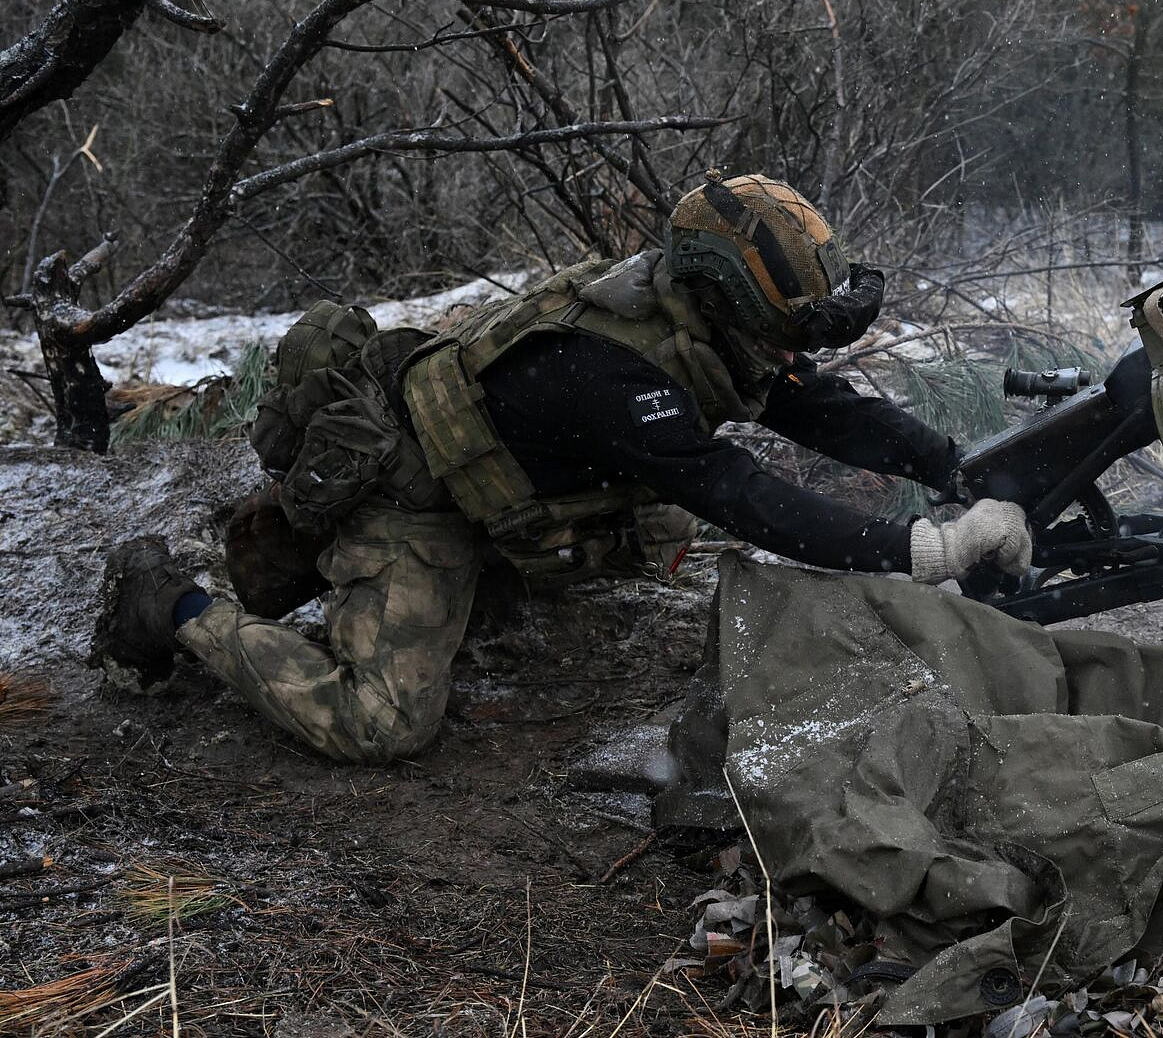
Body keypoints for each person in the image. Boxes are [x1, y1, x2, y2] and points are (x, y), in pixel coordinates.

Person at [90, 173, 1032, 764]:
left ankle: (488, 586)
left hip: (508, 479)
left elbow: (822, 409)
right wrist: (929, 549)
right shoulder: (611, 377)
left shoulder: (693, 326)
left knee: (651, 527)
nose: (791, 353)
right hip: (414, 498)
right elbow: (737, 493)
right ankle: (171, 606)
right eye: (786, 327)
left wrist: (958, 467)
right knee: (380, 724)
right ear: (725, 294)